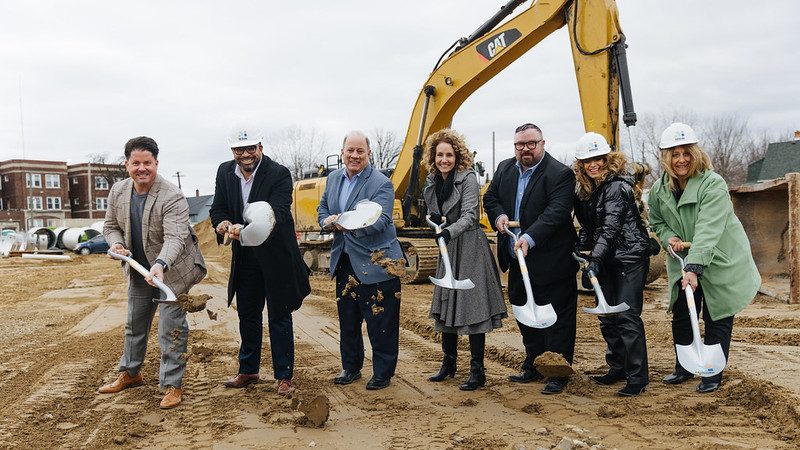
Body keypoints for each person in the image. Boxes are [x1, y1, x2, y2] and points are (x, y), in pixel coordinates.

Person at [648, 122, 760, 393]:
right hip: (684, 258)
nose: (681, 159)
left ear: (696, 153)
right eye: (674, 154)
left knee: (717, 313)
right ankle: (684, 367)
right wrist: (669, 238)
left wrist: (694, 268)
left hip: (720, 257)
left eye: (687, 152)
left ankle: (712, 373)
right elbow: (657, 222)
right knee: (683, 313)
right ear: (666, 158)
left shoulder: (713, 184)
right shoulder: (659, 190)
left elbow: (709, 230)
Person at [100, 136, 207, 409]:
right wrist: (117, 243)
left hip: (171, 272)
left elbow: (175, 238)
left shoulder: (172, 196)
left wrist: (160, 264)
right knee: (134, 324)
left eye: (147, 163)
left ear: (156, 163)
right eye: (136, 163)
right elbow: (110, 226)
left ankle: (172, 386)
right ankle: (131, 373)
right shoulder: (118, 192)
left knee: (170, 329)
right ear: (126, 164)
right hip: (139, 269)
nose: (141, 168)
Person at [210, 125, 310, 395]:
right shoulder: (224, 172)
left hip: (275, 254)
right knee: (248, 314)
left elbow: (277, 212)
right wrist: (221, 223)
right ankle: (249, 370)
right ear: (233, 151)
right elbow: (218, 206)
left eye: (251, 148)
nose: (246, 154)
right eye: (240, 149)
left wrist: (246, 229)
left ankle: (284, 376)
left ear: (260, 148)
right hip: (245, 256)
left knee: (279, 314)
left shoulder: (278, 173)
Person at [483, 123, 578, 395]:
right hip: (516, 258)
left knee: (557, 318)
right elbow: (491, 199)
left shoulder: (560, 174)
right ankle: (534, 363)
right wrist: (500, 217)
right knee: (525, 310)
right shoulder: (504, 169)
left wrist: (530, 237)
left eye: (531, 144)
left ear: (542, 143)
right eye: (519, 144)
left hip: (552, 259)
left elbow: (556, 212)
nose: (525, 149)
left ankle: (557, 371)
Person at [422, 129, 507, 391]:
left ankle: (477, 370)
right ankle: (449, 364)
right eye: (439, 155)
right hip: (448, 245)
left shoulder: (468, 178)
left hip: (469, 245)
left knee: (472, 307)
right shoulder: (432, 180)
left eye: (449, 155)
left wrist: (448, 231)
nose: (444, 159)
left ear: (457, 156)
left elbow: (470, 215)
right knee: (448, 302)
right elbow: (433, 210)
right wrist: (436, 220)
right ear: (433, 157)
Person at [317, 130, 403, 390]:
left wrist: (343, 224)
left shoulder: (380, 183)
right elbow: (323, 209)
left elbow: (381, 220)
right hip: (344, 260)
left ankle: (383, 372)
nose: (355, 156)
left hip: (376, 261)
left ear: (369, 154)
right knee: (349, 320)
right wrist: (326, 222)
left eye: (360, 151)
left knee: (382, 321)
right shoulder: (333, 179)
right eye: (350, 151)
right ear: (342, 152)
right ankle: (351, 367)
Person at [572, 132, 651, 397]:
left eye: (598, 159)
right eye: (587, 161)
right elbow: (589, 226)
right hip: (607, 257)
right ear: (581, 164)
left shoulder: (617, 186)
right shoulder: (587, 190)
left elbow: (610, 228)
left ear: (608, 159)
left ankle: (637, 377)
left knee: (627, 316)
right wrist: (582, 247)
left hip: (629, 256)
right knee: (608, 317)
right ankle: (618, 367)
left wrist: (594, 259)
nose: (593, 165)